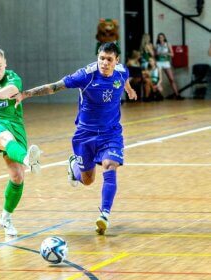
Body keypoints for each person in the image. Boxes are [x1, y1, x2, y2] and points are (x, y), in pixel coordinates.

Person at [15, 43, 137, 235]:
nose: (104, 63)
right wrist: (27, 93)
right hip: (85, 135)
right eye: (101, 58)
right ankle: (74, 167)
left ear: (116, 61)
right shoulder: (86, 75)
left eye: (109, 60)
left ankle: (104, 214)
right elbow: (55, 87)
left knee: (110, 165)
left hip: (110, 133)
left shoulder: (121, 72)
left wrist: (129, 89)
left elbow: (125, 78)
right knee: (87, 181)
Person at [0, 47, 41, 236]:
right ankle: (28, 160)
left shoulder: (13, 78)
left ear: (6, 64)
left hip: (14, 123)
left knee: (17, 176)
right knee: (5, 138)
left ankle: (5, 217)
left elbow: (11, 90)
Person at [155, 33, 184, 100]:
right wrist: (157, 53)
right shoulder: (157, 45)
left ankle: (177, 94)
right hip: (159, 62)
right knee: (159, 80)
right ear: (158, 38)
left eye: (162, 37)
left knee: (171, 79)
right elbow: (155, 54)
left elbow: (172, 54)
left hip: (166, 62)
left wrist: (166, 53)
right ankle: (159, 95)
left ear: (164, 38)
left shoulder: (167, 44)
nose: (161, 38)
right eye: (159, 37)